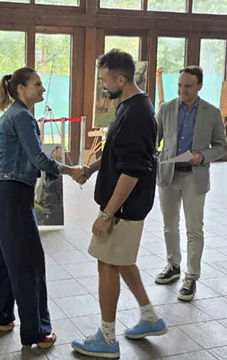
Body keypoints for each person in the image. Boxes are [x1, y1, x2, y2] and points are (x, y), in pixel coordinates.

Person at [0, 67, 85, 349]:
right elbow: (38, 158)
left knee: (2, 256)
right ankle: (36, 332)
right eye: (37, 85)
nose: (42, 89)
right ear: (20, 89)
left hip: (1, 192)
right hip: (13, 193)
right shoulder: (23, 117)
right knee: (30, 261)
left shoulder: (11, 115)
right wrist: (71, 171)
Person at [70, 49, 167, 358]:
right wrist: (93, 168)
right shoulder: (130, 105)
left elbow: (133, 170)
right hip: (124, 206)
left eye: (105, 80)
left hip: (123, 208)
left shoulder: (137, 114)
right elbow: (117, 151)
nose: (103, 86)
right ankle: (150, 317)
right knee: (121, 260)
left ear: (121, 79)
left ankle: (107, 339)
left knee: (107, 263)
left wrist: (107, 214)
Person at [154, 66, 227, 301]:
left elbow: (221, 146)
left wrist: (203, 156)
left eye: (187, 86)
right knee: (169, 225)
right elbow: (153, 140)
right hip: (168, 174)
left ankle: (191, 276)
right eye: (179, 85)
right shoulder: (165, 109)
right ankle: (172, 265)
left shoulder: (212, 113)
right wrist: (157, 157)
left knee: (194, 228)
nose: (182, 90)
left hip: (194, 175)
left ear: (199, 86)